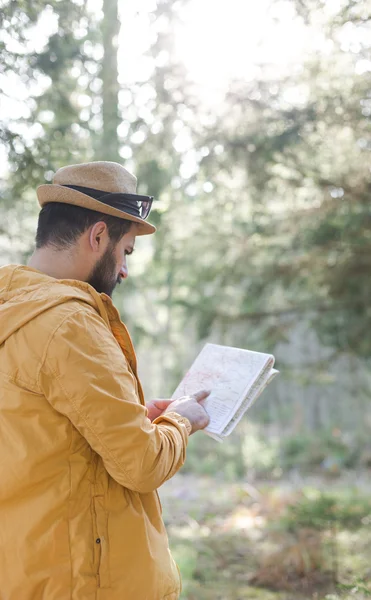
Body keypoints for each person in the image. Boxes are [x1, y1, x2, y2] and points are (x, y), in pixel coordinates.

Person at [0, 161, 210, 599]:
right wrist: (182, 421)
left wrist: (138, 413)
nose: (125, 270)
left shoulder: (12, 309)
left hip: (24, 571)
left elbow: (43, 427)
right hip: (84, 581)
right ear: (98, 236)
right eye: (126, 251)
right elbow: (143, 463)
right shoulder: (70, 324)